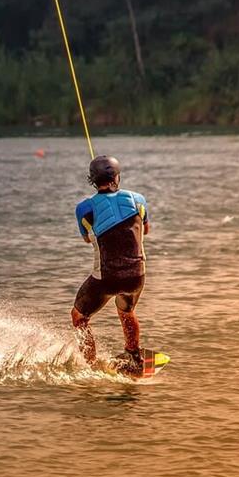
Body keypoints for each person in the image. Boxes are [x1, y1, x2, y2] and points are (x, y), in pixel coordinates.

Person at [71, 155, 150, 370]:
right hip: (136, 275)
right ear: (117, 177)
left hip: (106, 278)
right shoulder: (138, 199)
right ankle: (134, 355)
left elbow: (87, 238)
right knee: (126, 311)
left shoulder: (83, 209)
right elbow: (146, 229)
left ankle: (91, 364)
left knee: (79, 316)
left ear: (92, 181)